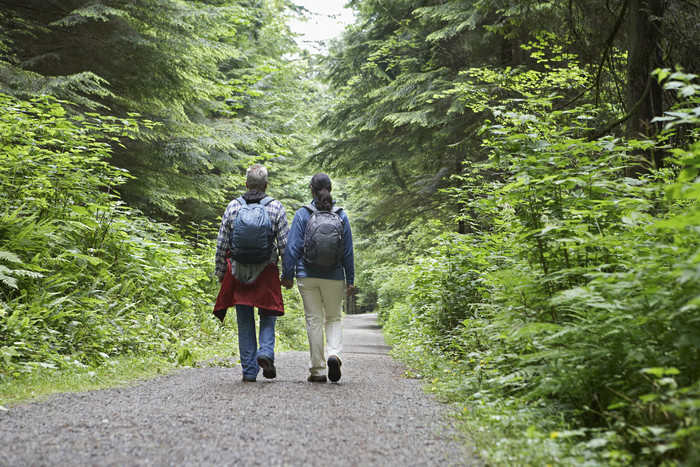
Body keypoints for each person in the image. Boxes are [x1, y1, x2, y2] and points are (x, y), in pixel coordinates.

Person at [213, 164, 291, 382]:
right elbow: (285, 245)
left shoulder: (232, 207)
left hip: (238, 270)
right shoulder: (276, 207)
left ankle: (249, 371)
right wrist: (287, 274)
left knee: (244, 319)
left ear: (246, 184)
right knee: (268, 313)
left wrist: (221, 271)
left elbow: (222, 243)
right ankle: (265, 352)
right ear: (266, 184)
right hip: (266, 270)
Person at [282, 173, 355, 383]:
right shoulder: (341, 215)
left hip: (307, 275)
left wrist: (287, 275)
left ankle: (317, 370)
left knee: (314, 320)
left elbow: (293, 248)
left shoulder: (303, 214)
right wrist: (350, 279)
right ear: (330, 190)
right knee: (333, 317)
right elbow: (348, 252)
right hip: (334, 275)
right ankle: (334, 354)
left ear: (311, 190)